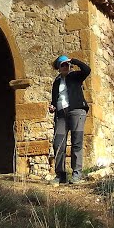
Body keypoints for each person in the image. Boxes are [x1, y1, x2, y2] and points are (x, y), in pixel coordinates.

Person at [48, 55, 90, 184]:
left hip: (77, 111)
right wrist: (53, 106)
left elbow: (87, 70)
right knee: (58, 144)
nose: (66, 67)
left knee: (76, 142)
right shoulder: (56, 82)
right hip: (61, 115)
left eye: (67, 65)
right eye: (63, 65)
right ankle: (60, 175)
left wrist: (74, 60)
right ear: (59, 68)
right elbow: (55, 99)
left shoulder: (76, 76)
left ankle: (77, 174)